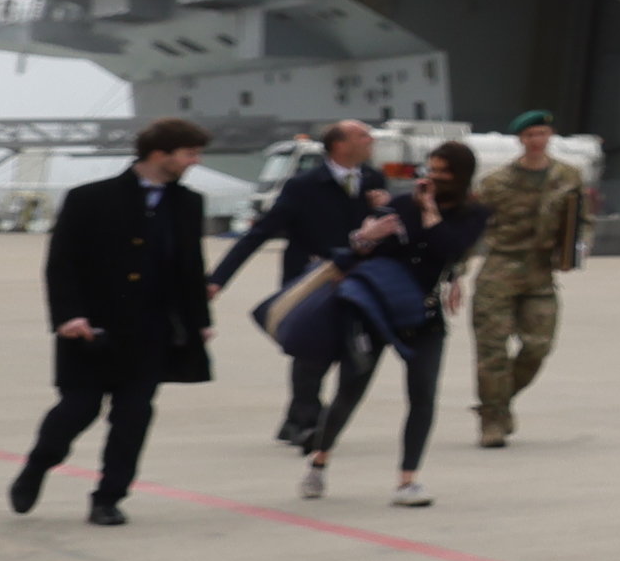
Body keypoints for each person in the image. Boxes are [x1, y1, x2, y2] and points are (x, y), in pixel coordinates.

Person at [27, 117, 218, 525]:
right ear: (159, 154)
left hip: (150, 331)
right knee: (77, 409)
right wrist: (68, 316)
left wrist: (198, 320)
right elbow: (61, 264)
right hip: (90, 328)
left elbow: (189, 266)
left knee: (133, 417)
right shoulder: (88, 198)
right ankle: (39, 463)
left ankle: (108, 497)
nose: (194, 161)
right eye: (189, 153)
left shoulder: (188, 203)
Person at [302, 140, 483, 507]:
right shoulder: (400, 205)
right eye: (431, 169)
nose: (434, 177)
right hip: (379, 311)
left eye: (444, 172)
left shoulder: (474, 213)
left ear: (461, 177)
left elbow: (450, 250)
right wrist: (366, 237)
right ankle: (319, 460)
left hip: (425, 316)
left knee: (423, 396)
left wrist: (430, 213)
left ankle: (408, 480)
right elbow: (360, 252)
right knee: (351, 388)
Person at [213, 122, 392, 448]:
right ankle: (306, 423)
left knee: (350, 353)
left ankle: (296, 420)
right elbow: (260, 233)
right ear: (339, 145)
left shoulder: (373, 180)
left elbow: (381, 230)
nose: (371, 141)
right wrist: (217, 280)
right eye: (363, 136)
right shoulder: (302, 186)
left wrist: (384, 207)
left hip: (359, 281)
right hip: (311, 282)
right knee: (312, 353)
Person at [466, 111, 594, 448]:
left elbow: (582, 220)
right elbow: (470, 227)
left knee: (538, 346)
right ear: (521, 140)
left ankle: (499, 401)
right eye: (531, 135)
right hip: (500, 271)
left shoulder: (568, 176)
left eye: (542, 133)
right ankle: (492, 420)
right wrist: (453, 270)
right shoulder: (494, 183)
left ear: (550, 136)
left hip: (540, 274)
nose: (537, 140)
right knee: (492, 350)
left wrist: (575, 254)